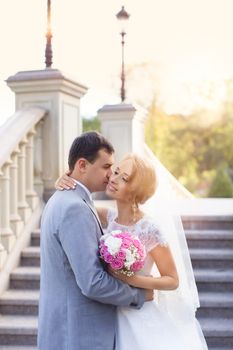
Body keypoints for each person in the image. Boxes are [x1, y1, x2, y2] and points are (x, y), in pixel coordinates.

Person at [56, 153, 208, 350]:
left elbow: (172, 280)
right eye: (116, 172)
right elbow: (77, 204)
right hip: (109, 312)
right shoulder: (106, 216)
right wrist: (65, 179)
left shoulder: (149, 229)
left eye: (124, 178)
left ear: (136, 190)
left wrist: (133, 280)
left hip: (139, 315)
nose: (114, 179)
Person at [37, 132, 154, 350]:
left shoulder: (62, 199)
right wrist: (138, 295)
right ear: (82, 164)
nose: (111, 175)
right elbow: (92, 283)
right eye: (106, 166)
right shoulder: (75, 208)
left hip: (67, 331)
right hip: (79, 335)